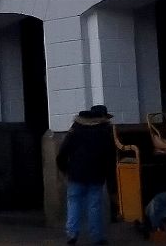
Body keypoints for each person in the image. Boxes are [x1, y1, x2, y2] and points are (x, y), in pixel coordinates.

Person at [56, 105, 116, 246]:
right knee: (94, 205)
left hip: (76, 173)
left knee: (74, 202)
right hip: (96, 174)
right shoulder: (104, 130)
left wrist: (65, 169)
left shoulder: (76, 128)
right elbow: (109, 157)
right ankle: (97, 237)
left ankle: (72, 234)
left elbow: (63, 151)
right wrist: (110, 178)